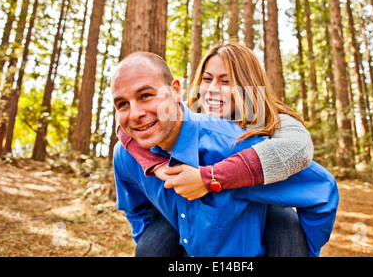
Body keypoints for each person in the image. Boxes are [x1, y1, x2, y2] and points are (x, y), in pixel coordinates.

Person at [112, 51, 338, 257]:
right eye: (207, 79)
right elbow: (133, 128)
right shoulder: (180, 113)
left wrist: (209, 177)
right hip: (189, 214)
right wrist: (148, 160)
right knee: (151, 248)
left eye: (226, 81)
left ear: (248, 86)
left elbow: (298, 150)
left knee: (285, 230)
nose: (212, 89)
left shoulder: (265, 121)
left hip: (267, 192)